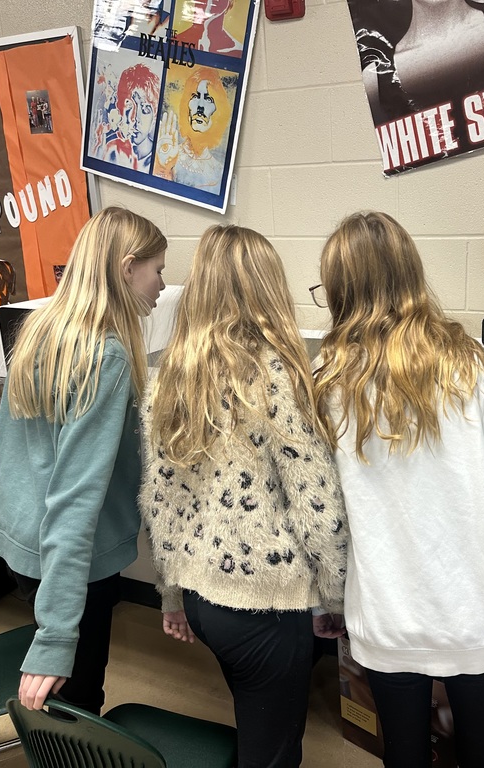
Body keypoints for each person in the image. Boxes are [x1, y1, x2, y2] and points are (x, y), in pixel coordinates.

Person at [312, 211, 484, 768]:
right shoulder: (468, 365)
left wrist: (326, 602)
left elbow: (327, 518)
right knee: (482, 752)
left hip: (385, 622)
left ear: (341, 292)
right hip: (473, 620)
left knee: (401, 756)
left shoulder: (329, 378)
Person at [140, 225, 347, 768]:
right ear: (267, 288)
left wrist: (171, 594)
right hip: (266, 604)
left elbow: (160, 502)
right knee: (275, 750)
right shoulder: (277, 373)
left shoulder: (169, 376)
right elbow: (315, 501)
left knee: (255, 716)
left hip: (204, 599)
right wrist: (337, 597)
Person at [0, 206, 167, 714]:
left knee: (68, 696)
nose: (160, 284)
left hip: (28, 547)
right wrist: (56, 634)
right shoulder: (107, 355)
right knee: (78, 699)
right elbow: (75, 498)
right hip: (71, 562)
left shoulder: (43, 328)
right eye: (157, 269)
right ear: (128, 267)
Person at [154, 68, 232, 194]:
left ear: (218, 111)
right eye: (195, 96)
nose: (200, 107)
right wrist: (163, 167)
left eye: (208, 99)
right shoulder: (169, 154)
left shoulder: (219, 171)